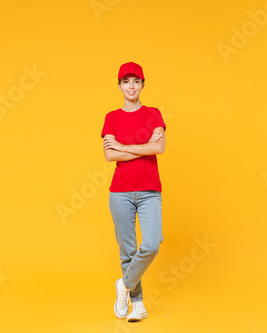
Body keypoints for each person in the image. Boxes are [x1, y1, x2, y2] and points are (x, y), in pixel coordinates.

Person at [101, 62, 167, 322]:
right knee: (127, 251)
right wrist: (141, 145)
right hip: (120, 192)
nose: (131, 86)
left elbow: (158, 149)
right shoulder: (112, 117)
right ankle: (137, 304)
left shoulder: (153, 114)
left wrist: (122, 146)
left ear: (142, 85)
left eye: (136, 81)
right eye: (126, 81)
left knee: (151, 244)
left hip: (149, 190)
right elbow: (108, 154)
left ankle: (124, 285)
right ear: (119, 86)